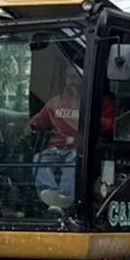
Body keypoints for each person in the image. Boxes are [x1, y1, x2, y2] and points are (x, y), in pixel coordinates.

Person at [29, 72, 81, 204]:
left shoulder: (87, 103)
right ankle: (49, 193)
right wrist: (29, 126)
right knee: (38, 159)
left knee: (72, 165)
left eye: (76, 76)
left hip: (76, 149)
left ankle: (64, 198)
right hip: (55, 149)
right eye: (70, 76)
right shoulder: (54, 103)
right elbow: (37, 121)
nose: (72, 80)